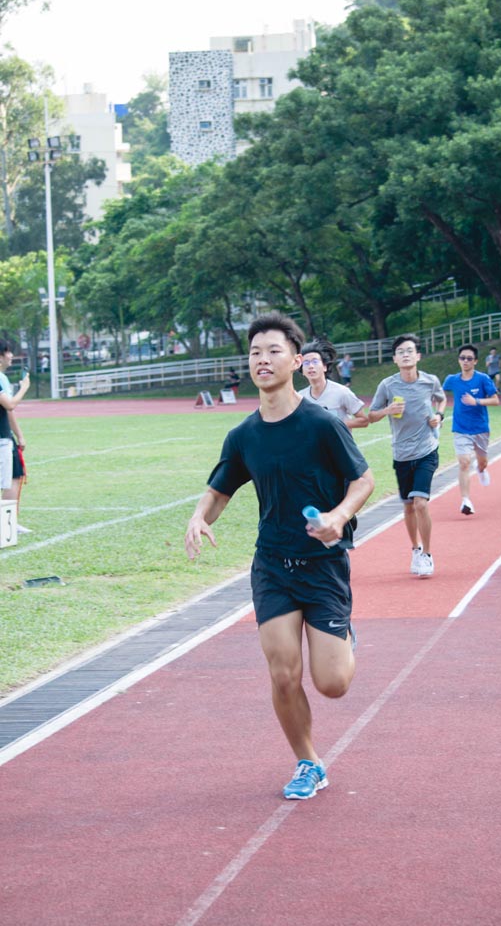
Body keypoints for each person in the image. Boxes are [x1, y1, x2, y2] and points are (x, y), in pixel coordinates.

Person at [185, 312, 374, 801]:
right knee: (284, 673)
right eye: (254, 352)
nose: (263, 360)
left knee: (331, 683)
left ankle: (344, 634)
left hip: (323, 563)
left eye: (273, 351)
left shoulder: (322, 424)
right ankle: (308, 761)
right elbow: (220, 489)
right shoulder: (244, 434)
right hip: (272, 565)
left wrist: (339, 514)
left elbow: (364, 479)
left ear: (296, 358)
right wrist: (199, 516)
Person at [368, 333, 445, 578]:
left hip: (427, 449)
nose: (405, 354)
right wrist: (388, 410)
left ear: (418, 356)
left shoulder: (429, 381)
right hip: (401, 454)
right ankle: (415, 548)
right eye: (401, 351)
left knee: (421, 503)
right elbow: (371, 415)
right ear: (394, 358)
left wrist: (438, 416)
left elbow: (441, 400)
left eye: (410, 350)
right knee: (409, 506)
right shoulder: (388, 385)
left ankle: (428, 554)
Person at [443, 344, 499, 516]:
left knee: (481, 462)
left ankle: (481, 469)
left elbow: (495, 400)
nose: (465, 361)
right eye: (462, 358)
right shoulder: (452, 379)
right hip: (460, 428)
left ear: (475, 361)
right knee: (464, 462)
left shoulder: (482, 379)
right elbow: (439, 394)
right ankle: (466, 501)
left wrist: (477, 401)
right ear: (459, 360)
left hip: (480, 428)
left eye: (469, 358)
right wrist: (438, 413)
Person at [299, 338, 368, 429]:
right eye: (306, 363)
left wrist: (335, 423)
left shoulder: (342, 392)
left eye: (315, 361)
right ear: (302, 370)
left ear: (324, 367)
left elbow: (364, 421)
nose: (311, 366)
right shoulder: (300, 398)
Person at [0, 340, 31, 530]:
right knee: (7, 479)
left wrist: (18, 435)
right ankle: (6, 524)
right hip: (1, 438)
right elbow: (9, 405)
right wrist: (24, 388)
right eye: (8, 352)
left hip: (5, 435)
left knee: (13, 477)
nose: (11, 356)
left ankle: (8, 523)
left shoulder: (2, 377)